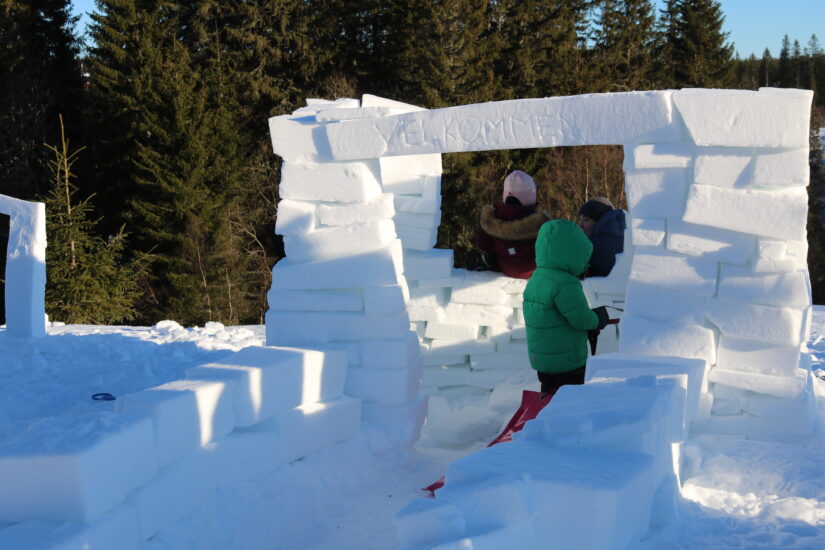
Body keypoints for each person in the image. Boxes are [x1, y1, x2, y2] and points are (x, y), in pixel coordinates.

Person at [523, 219, 609, 394]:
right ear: (572, 254)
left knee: (549, 396)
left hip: (543, 361)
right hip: (568, 363)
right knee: (570, 401)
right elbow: (581, 319)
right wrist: (599, 319)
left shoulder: (537, 278)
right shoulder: (565, 283)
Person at [473, 170, 550, 279]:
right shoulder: (541, 221)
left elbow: (483, 244)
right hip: (533, 270)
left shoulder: (492, 217)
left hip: (505, 267)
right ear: (531, 195)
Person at [577, 197, 626, 277]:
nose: (580, 225)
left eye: (586, 220)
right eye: (581, 220)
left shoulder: (596, 244)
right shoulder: (625, 237)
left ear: (600, 221)